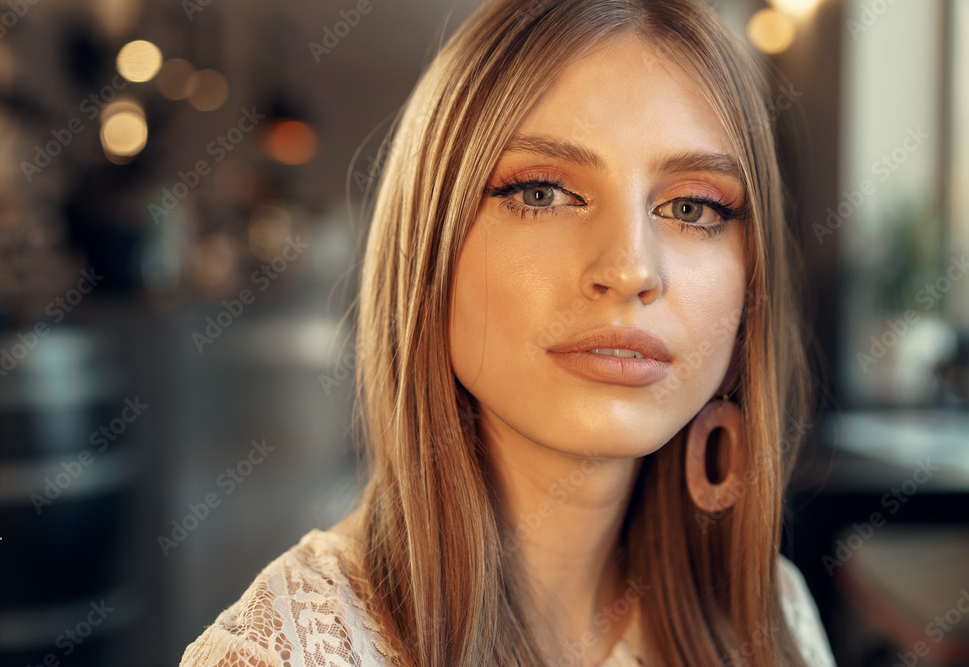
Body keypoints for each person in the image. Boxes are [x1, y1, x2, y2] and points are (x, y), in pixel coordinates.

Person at [180, 0, 837, 665]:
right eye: (543, 192)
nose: (632, 268)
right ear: (429, 243)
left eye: (692, 206)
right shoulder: (287, 651)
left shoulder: (774, 614)